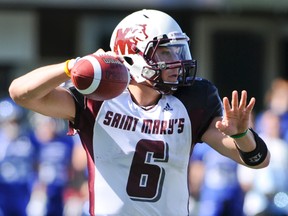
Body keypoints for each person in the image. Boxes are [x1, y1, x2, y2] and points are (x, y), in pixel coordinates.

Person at [9, 9, 270, 215]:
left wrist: (242, 134)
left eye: (178, 50)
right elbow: (20, 92)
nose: (176, 61)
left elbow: (258, 160)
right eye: (165, 52)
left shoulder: (192, 100)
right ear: (132, 57)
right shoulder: (96, 99)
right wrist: (72, 66)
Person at [0, 97, 37, 216]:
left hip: (23, 188)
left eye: (16, 121)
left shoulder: (28, 139)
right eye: (10, 122)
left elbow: (35, 164)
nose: (13, 125)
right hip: (3, 188)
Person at [189, 143, 245, 216]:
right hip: (211, 192)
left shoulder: (233, 142)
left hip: (233, 191)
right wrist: (195, 188)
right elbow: (197, 168)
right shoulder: (203, 145)